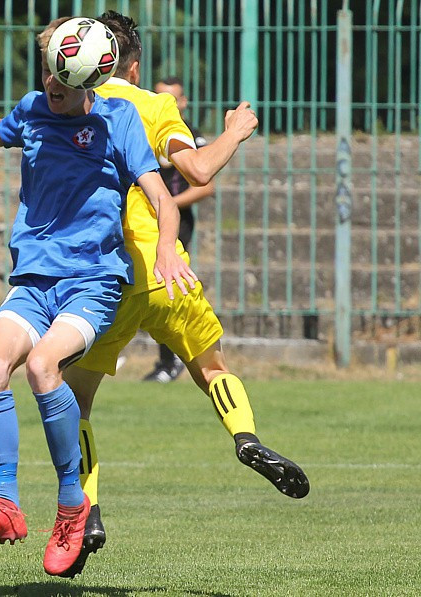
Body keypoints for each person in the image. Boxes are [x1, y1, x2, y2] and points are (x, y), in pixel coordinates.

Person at [0, 17, 195, 577]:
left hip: (93, 283)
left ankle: (70, 505)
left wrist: (163, 250)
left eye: (60, 80)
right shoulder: (35, 107)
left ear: (89, 78)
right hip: (35, 282)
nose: (51, 87)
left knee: (41, 366)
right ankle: (7, 506)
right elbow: (1, 129)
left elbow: (166, 200)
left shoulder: (119, 118)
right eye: (47, 75)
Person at [59, 11, 310, 576]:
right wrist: (235, 131)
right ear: (136, 63)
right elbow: (197, 170)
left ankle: (88, 509)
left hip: (104, 275)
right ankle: (245, 436)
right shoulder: (153, 105)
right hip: (166, 269)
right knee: (212, 368)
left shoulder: (72, 104)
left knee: (74, 400)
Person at [145, 75, 215, 383]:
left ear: (183, 103)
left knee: (167, 286)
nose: (167, 104)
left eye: (173, 99)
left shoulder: (189, 136)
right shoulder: (144, 128)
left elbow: (205, 185)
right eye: (161, 96)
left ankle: (172, 361)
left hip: (177, 221)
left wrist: (168, 203)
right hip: (143, 221)